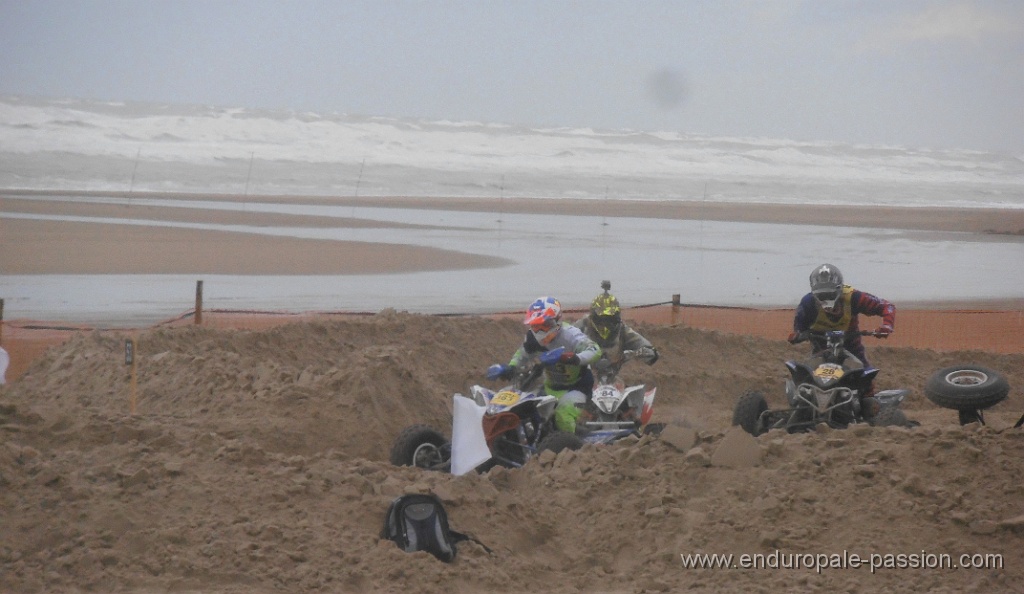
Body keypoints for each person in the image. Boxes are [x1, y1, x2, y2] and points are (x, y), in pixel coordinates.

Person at [789, 264, 895, 414]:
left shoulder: (853, 297)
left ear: (839, 289)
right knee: (804, 380)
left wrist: (887, 326)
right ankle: (802, 405)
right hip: (821, 348)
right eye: (821, 296)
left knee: (866, 382)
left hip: (851, 347)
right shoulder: (807, 304)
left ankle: (867, 411)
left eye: (830, 295)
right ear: (814, 293)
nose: (826, 301)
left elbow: (887, 306)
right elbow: (799, 327)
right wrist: (798, 335)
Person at [488, 296, 602, 435]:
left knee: (563, 413)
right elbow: (522, 355)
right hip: (550, 387)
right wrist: (509, 368)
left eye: (544, 325)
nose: (540, 331)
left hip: (578, 388)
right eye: (535, 326)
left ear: (557, 321)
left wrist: (571, 358)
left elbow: (595, 350)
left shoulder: (571, 336)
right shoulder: (532, 338)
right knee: (529, 410)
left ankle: (572, 449)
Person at [574, 281, 658, 377]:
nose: (605, 324)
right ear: (594, 317)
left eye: (609, 319)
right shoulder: (582, 326)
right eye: (602, 320)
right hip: (583, 377)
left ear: (616, 317)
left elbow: (646, 347)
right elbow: (564, 337)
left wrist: (646, 352)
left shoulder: (622, 330)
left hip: (614, 378)